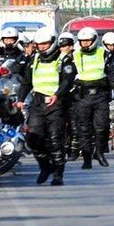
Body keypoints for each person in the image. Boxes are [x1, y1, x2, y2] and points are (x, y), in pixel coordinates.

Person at [16, 28, 76, 186]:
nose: (42, 47)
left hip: (56, 104)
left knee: (55, 140)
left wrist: (58, 94)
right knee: (32, 138)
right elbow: (27, 81)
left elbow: (67, 80)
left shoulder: (64, 59)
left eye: (45, 44)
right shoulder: (34, 58)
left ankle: (58, 174)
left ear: (53, 42)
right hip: (37, 104)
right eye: (39, 44)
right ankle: (45, 166)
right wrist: (20, 99)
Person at [73, 27, 114, 169]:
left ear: (94, 40)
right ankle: (86, 158)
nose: (85, 44)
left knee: (102, 127)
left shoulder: (104, 54)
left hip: (100, 95)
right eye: (82, 42)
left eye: (88, 41)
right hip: (82, 96)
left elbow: (112, 75)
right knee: (84, 128)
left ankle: (99, 153)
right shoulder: (74, 55)